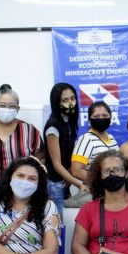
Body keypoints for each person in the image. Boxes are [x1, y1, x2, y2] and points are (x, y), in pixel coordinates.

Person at [0, 84, 44, 189]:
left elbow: (41, 158)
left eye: (12, 106)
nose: (7, 109)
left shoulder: (29, 130)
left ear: (18, 109)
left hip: (22, 191)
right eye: (2, 105)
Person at [44, 82, 84, 217]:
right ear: (56, 103)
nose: (70, 103)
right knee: (58, 226)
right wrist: (78, 184)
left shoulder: (68, 121)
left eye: (72, 98)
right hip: (55, 185)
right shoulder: (52, 127)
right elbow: (56, 164)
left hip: (63, 182)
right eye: (65, 100)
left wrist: (70, 172)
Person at [70, 101, 119, 184]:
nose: (101, 118)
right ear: (89, 119)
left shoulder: (111, 138)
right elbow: (76, 171)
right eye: (96, 116)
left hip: (113, 189)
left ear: (110, 118)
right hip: (96, 191)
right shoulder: (86, 139)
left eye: (105, 115)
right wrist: (101, 181)